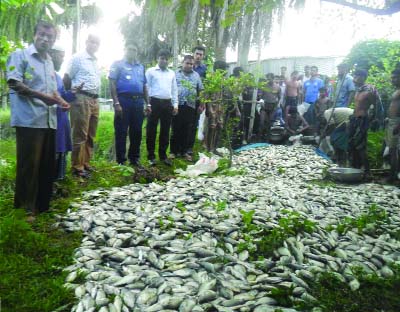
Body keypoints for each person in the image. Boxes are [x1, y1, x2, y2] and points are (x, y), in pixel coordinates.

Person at [6, 21, 70, 220]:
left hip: (49, 120)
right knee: (29, 164)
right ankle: (25, 207)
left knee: (46, 164)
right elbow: (14, 82)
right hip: (29, 119)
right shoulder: (20, 55)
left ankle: (42, 205)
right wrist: (43, 98)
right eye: (41, 34)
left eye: (49, 37)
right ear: (34, 35)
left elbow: (51, 90)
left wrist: (60, 100)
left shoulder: (49, 62)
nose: (45, 39)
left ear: (54, 40)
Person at [64, 34, 101, 178]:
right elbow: (67, 78)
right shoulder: (77, 58)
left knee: (91, 134)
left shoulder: (95, 61)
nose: (95, 45)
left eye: (97, 43)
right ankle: (76, 167)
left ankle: (86, 163)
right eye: (92, 42)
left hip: (94, 99)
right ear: (86, 42)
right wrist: (70, 95)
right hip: (81, 98)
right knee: (80, 133)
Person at [109, 43, 148, 166]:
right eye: (130, 49)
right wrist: (116, 102)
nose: (132, 52)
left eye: (135, 50)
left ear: (137, 52)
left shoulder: (141, 67)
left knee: (136, 131)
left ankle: (134, 159)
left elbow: (144, 86)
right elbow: (112, 83)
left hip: (138, 102)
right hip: (123, 101)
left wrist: (148, 104)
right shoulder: (117, 64)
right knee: (121, 131)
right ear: (125, 50)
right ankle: (121, 160)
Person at [145, 49, 178, 166]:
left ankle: (163, 156)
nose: (164, 60)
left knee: (165, 130)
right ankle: (151, 156)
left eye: (166, 59)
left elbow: (174, 90)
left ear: (168, 60)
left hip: (167, 103)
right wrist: (147, 104)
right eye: (162, 58)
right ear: (157, 59)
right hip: (154, 102)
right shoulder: (150, 71)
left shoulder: (172, 73)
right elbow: (146, 88)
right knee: (151, 130)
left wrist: (175, 105)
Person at [49, 43, 76, 180]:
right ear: (52, 54)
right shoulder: (45, 74)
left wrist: (72, 93)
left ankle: (59, 178)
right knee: (53, 147)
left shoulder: (58, 77)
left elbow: (63, 95)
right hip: (52, 117)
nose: (62, 59)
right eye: (61, 56)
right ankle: (50, 179)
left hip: (61, 117)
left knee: (61, 146)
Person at [170, 55, 203, 161]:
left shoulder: (196, 75)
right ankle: (173, 152)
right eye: (187, 63)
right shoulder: (175, 74)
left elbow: (201, 90)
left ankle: (184, 152)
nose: (189, 65)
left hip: (190, 106)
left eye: (191, 64)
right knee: (175, 128)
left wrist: (201, 105)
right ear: (182, 63)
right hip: (177, 105)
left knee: (187, 129)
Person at [348, 69, 377, 174]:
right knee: (351, 144)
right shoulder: (358, 90)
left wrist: (373, 119)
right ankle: (355, 168)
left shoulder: (369, 90)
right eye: (354, 76)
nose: (354, 79)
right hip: (354, 119)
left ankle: (367, 171)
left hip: (362, 120)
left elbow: (376, 106)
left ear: (363, 77)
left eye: (356, 76)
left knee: (360, 146)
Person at [204, 60, 229, 153]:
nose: (226, 71)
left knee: (219, 127)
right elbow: (207, 95)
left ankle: (214, 148)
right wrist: (208, 108)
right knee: (211, 127)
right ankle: (208, 148)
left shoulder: (224, 80)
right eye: (225, 69)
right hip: (212, 107)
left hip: (220, 108)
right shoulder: (211, 78)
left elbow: (225, 95)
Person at [187, 46, 208, 156]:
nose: (198, 56)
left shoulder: (204, 69)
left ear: (203, 56)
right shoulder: (186, 65)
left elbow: (204, 87)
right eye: (197, 54)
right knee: (183, 123)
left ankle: (189, 147)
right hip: (185, 99)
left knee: (194, 123)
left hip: (197, 100)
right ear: (193, 54)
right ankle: (180, 147)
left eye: (201, 54)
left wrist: (202, 103)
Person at [385, 69, 400, 181]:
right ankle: (393, 174)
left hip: (397, 123)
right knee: (392, 150)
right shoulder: (397, 90)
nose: (392, 80)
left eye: (395, 77)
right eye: (392, 77)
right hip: (392, 121)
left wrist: (398, 125)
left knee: (394, 150)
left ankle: (393, 176)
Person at [259, 73, 280, 140]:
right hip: (264, 106)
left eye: (270, 78)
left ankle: (268, 137)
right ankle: (260, 137)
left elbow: (279, 97)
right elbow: (260, 96)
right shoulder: (264, 86)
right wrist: (261, 102)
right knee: (262, 122)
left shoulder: (277, 87)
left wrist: (276, 106)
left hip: (273, 106)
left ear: (273, 79)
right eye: (267, 78)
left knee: (270, 122)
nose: (268, 80)